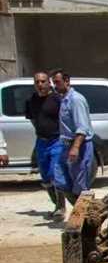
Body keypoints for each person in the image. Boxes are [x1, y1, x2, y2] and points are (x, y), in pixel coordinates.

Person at [25, 71, 65, 218]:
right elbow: (32, 119)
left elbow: (64, 120)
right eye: (37, 82)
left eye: (43, 81)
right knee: (46, 177)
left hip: (57, 141)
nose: (40, 85)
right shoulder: (31, 100)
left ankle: (62, 207)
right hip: (41, 141)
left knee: (55, 174)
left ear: (49, 83)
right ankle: (56, 205)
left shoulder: (57, 99)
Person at [52, 71, 94, 205]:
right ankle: (80, 211)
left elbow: (82, 127)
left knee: (80, 186)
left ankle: (86, 218)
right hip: (65, 145)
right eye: (54, 83)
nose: (55, 86)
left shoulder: (76, 100)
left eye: (57, 82)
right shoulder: (64, 99)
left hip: (80, 146)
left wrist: (75, 148)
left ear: (67, 81)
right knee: (60, 180)